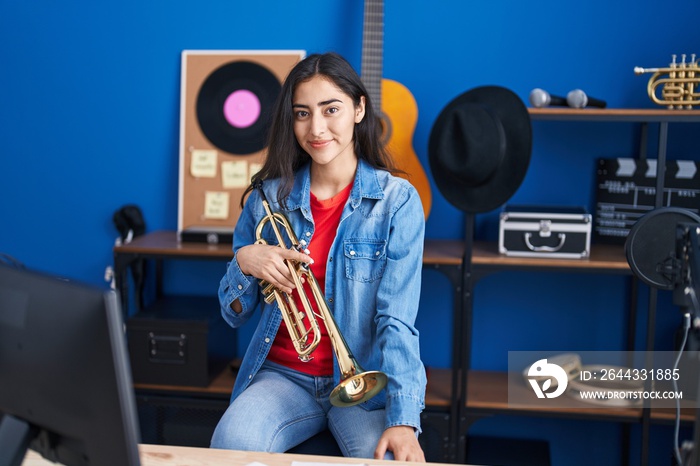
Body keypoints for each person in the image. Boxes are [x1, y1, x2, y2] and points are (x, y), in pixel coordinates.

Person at [210, 52, 426, 462]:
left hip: (366, 383)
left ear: (359, 109)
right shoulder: (266, 198)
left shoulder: (397, 203)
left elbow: (397, 321)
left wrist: (404, 419)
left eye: (332, 109)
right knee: (229, 449)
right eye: (302, 113)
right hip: (283, 377)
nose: (317, 128)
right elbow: (234, 314)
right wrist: (244, 263)